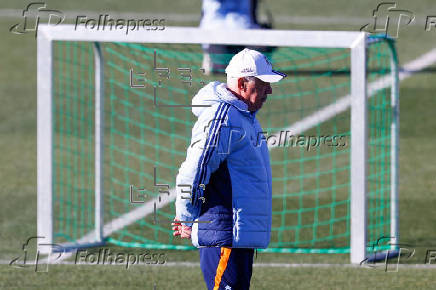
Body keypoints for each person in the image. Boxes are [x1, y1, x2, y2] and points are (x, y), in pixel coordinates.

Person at [172, 48, 286, 290]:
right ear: (244, 83)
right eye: (264, 83)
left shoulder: (242, 116)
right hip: (224, 235)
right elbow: (194, 170)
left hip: (237, 237)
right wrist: (185, 216)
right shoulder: (223, 118)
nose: (270, 90)